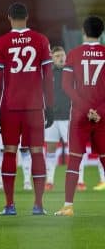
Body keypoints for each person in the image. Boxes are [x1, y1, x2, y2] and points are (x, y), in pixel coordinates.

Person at [0, 2, 54, 216]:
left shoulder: (1, 42)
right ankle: (38, 205)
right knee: (37, 152)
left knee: (10, 151)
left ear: (9, 17)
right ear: (27, 17)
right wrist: (50, 106)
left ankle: (9, 205)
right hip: (35, 107)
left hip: (10, 107)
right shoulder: (41, 40)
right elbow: (48, 77)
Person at [55, 16, 105, 216]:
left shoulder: (74, 54)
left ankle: (68, 206)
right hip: (102, 116)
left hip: (79, 116)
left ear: (84, 32)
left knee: (74, 160)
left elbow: (66, 86)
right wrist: (98, 111)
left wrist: (86, 109)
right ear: (101, 33)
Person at [45, 46, 87, 191]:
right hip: (52, 118)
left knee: (75, 149)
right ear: (52, 58)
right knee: (50, 149)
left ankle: (80, 181)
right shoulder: (47, 74)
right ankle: (49, 180)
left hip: (69, 117)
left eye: (62, 55)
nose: (61, 58)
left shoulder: (73, 72)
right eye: (57, 56)